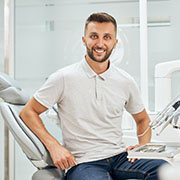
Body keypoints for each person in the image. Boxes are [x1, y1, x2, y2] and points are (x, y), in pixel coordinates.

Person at [20, 12, 167, 180]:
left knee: (166, 171)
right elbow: (28, 112)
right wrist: (54, 146)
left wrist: (142, 148)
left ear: (115, 42)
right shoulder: (63, 78)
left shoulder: (125, 81)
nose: (100, 43)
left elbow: (142, 120)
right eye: (94, 36)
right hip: (83, 162)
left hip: (120, 157)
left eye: (107, 37)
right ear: (84, 40)